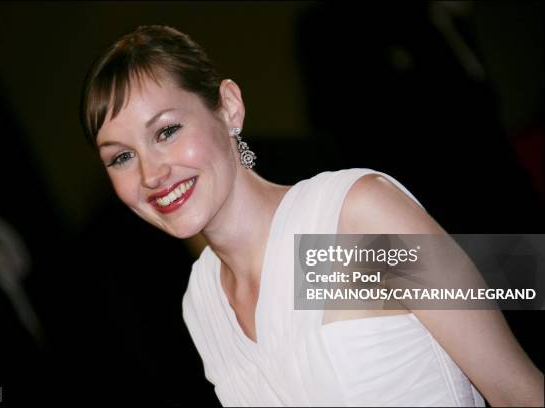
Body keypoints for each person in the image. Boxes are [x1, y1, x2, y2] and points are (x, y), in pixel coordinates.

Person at [80, 25, 544, 406]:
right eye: (120, 157)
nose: (150, 173)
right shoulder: (202, 301)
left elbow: (516, 391)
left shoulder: (350, 219)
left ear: (228, 108)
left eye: (167, 130)